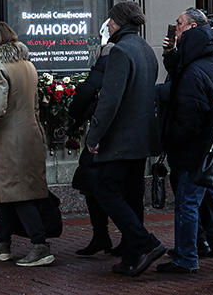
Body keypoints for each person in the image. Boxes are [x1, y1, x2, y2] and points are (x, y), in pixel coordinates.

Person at [85, 1, 163, 278]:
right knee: (132, 196)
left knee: (106, 191)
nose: (107, 24)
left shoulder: (120, 51)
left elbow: (109, 101)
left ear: (117, 22)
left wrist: (94, 136)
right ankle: (133, 255)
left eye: (109, 20)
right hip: (141, 138)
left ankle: (145, 243)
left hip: (120, 139)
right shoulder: (146, 50)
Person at [0, 21, 53, 267]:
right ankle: (2, 243)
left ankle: (39, 246)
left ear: (1, 40)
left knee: (16, 194)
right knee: (7, 191)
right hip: (28, 135)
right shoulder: (28, 65)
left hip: (7, 139)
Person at [157, 10, 213, 274]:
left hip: (192, 148)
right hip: (206, 146)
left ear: (192, 27)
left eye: (179, 24)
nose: (175, 28)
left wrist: (170, 140)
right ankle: (205, 243)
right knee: (202, 199)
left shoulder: (195, 71)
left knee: (187, 202)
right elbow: (182, 75)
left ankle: (187, 257)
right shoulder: (211, 59)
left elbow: (189, 116)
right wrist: (171, 54)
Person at [67, 19, 119, 256]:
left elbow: (87, 93)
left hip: (103, 133)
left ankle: (103, 236)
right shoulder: (138, 51)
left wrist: (74, 120)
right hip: (121, 133)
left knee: (96, 186)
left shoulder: (109, 53)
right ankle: (108, 237)